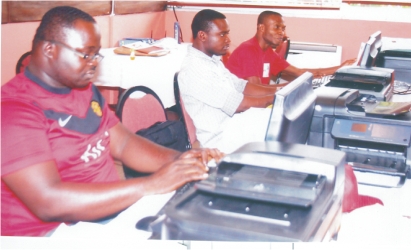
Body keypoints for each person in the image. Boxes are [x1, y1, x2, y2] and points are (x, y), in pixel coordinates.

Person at [1, 6, 223, 237]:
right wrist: (151, 185)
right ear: (49, 49)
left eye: (96, 55)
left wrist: (182, 160)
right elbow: (48, 202)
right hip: (52, 233)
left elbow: (124, 143)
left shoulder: (82, 90)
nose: (94, 63)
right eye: (86, 54)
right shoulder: (14, 110)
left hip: (111, 214)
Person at [178, 9, 279, 154]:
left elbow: (241, 86)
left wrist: (279, 90)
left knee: (277, 120)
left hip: (233, 125)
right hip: (220, 139)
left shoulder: (211, 61)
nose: (228, 40)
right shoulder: (195, 69)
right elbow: (239, 104)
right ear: (202, 36)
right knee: (278, 124)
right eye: (222, 34)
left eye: (227, 33)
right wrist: (278, 98)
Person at [227, 10, 356, 85]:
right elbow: (256, 90)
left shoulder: (267, 52)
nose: (281, 33)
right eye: (276, 27)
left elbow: (299, 72)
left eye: (283, 29)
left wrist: (340, 68)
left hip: (258, 103)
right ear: (262, 28)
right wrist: (289, 88)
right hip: (246, 108)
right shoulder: (248, 50)